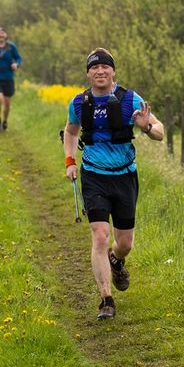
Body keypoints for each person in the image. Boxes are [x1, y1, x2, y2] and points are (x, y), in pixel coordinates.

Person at [62, 48, 163, 321]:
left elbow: (160, 132)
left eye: (105, 67)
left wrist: (146, 127)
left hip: (124, 175)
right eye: (94, 68)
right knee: (99, 235)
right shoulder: (79, 103)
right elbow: (71, 132)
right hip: (93, 175)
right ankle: (106, 299)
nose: (100, 71)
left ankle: (116, 261)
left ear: (113, 71)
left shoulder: (130, 99)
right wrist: (70, 161)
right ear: (88, 73)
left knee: (124, 243)